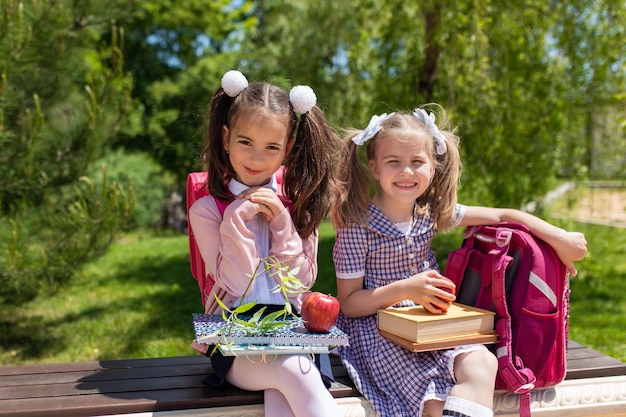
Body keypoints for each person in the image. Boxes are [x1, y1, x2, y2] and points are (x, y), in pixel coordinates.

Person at [330, 106, 588, 417]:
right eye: (393, 162)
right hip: (379, 331)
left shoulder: (431, 214)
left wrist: (559, 237)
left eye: (416, 162)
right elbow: (350, 304)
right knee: (435, 404)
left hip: (435, 323)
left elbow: (503, 215)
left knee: (483, 363)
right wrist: (408, 289)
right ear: (374, 168)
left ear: (433, 166)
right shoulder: (358, 227)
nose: (406, 172)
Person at [188, 70, 343, 417]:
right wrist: (237, 220)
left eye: (271, 147)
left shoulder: (298, 204)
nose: (257, 159)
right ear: (226, 139)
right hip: (236, 344)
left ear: (287, 148)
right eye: (245, 143)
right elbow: (238, 284)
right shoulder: (208, 211)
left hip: (293, 336)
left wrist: (282, 223)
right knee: (294, 374)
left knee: (284, 393)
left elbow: (301, 283)